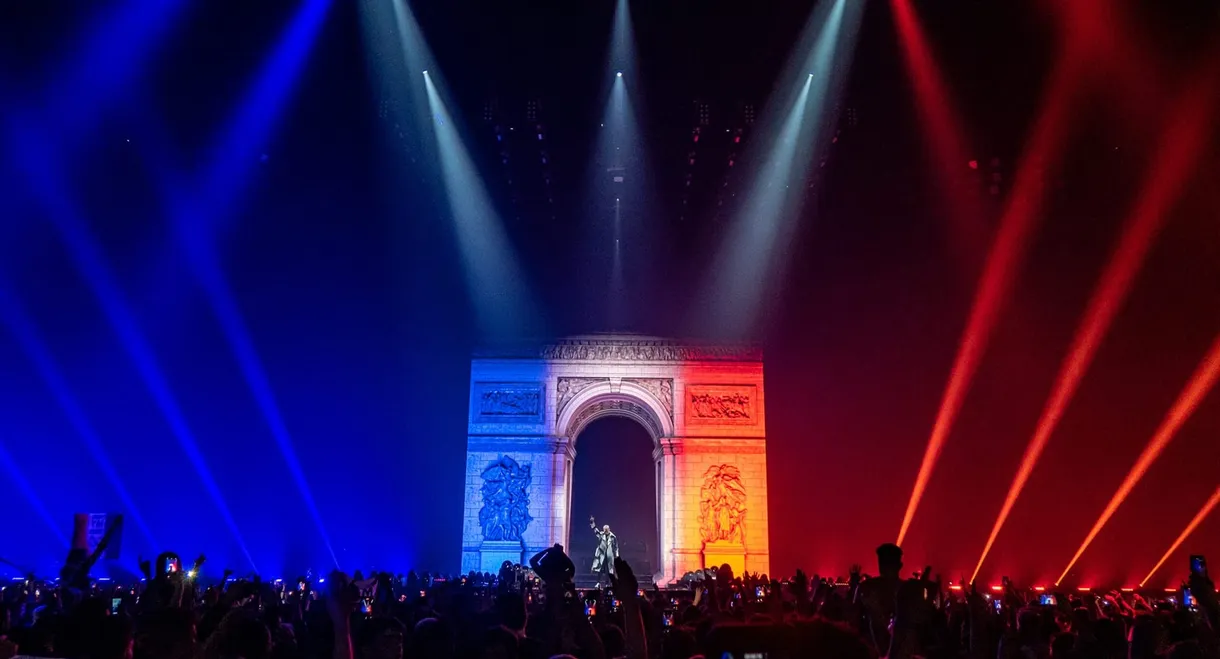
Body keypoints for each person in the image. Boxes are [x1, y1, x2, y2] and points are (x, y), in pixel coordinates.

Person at [589, 515, 619, 588]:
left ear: (609, 529)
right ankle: (598, 583)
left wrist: (616, 555)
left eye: (606, 530)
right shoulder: (601, 535)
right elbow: (595, 530)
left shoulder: (613, 537)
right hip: (602, 555)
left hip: (609, 556)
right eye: (604, 530)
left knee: (608, 571)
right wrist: (592, 522)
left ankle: (607, 583)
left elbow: (616, 546)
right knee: (600, 570)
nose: (605, 531)